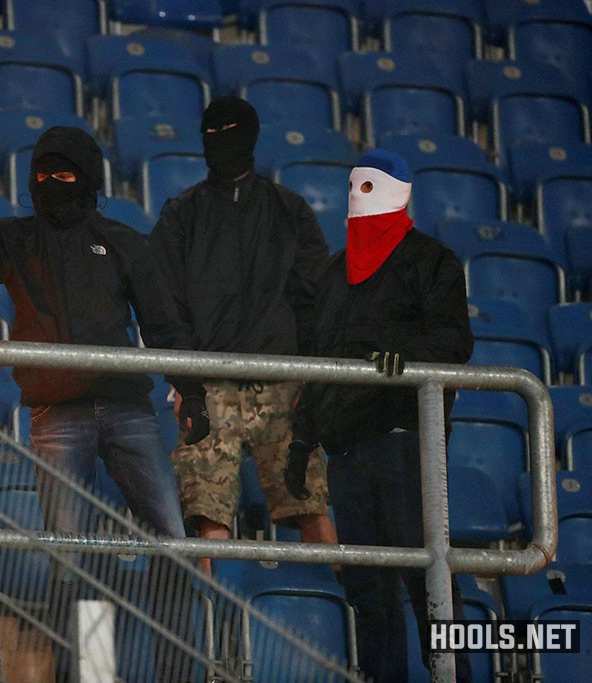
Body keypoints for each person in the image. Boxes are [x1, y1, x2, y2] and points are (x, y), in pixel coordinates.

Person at [0, 125, 209, 682]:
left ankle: (178, 675)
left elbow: (164, 323)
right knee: (68, 559)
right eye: (43, 173)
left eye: (64, 173)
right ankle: (81, 675)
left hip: (128, 410)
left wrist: (192, 388)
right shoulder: (16, 239)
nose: (51, 183)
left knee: (172, 544)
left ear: (88, 179)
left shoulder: (122, 240)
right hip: (56, 417)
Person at [284, 149, 474, 682]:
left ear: (401, 191)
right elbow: (318, 361)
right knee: (370, 590)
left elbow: (453, 338)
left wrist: (405, 355)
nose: (355, 195)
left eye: (369, 186)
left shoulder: (431, 262)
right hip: (345, 450)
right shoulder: (332, 272)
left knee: (427, 584)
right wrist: (303, 440)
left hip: (402, 440)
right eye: (352, 185)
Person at [147, 96, 337, 573]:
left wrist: (311, 380)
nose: (220, 142)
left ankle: (340, 614)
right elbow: (161, 304)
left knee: (311, 504)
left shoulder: (287, 211)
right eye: (212, 133)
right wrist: (185, 378)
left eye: (229, 131)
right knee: (207, 513)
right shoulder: (182, 215)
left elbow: (318, 300)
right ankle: (208, 626)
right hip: (209, 384)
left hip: (283, 381)